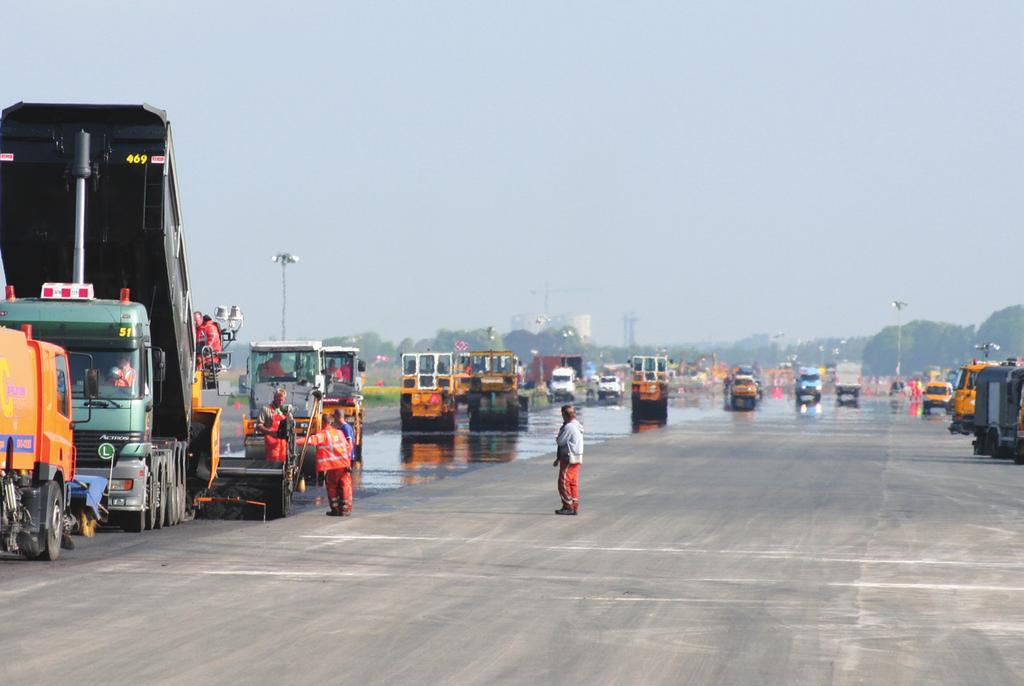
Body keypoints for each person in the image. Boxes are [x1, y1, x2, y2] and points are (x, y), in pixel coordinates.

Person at [298, 409, 353, 516]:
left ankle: (336, 509)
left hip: (333, 466)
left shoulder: (323, 434)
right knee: (345, 485)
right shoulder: (340, 433)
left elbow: (310, 440)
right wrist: (348, 463)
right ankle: (346, 509)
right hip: (344, 464)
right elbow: (348, 447)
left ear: (323, 422)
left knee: (332, 485)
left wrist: (295, 441)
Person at [553, 404, 583, 515]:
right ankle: (574, 506)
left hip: (569, 458)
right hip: (577, 458)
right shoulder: (577, 425)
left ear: (564, 415)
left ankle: (568, 506)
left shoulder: (569, 427)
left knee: (563, 482)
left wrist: (558, 436)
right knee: (573, 483)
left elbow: (560, 441)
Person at [255, 389, 290, 462]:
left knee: (283, 465)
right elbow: (259, 426)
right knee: (273, 464)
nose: (281, 402)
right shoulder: (266, 409)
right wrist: (271, 433)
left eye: (282, 400)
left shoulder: (283, 411)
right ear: (274, 398)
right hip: (272, 445)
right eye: (279, 400)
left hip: (282, 445)